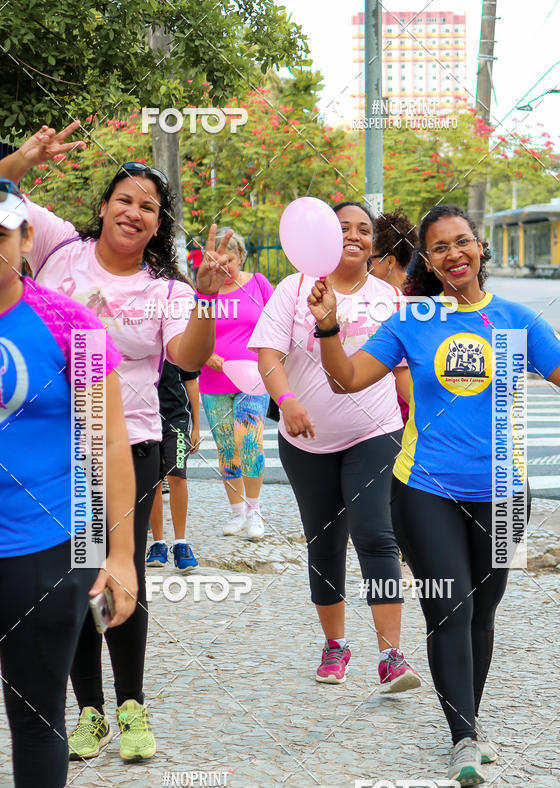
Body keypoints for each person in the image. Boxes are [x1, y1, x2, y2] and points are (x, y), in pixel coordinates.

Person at [309, 202, 560, 786]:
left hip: (505, 492)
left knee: (482, 614)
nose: (454, 254)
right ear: (431, 260)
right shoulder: (412, 320)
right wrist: (327, 327)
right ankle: (462, 736)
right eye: (440, 247)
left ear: (480, 247)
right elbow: (346, 379)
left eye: (462, 241)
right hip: (424, 489)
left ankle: (469, 719)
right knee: (450, 608)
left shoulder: (518, 320)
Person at [0, 121, 231, 763]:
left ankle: (131, 705)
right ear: (103, 207)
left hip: (130, 443)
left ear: (158, 227)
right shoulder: (56, 250)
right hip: (52, 445)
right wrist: (22, 158)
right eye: (125, 199)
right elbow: (2, 196)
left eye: (149, 208)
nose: (134, 213)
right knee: (72, 575)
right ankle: (91, 713)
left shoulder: (167, 291)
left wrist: (208, 302)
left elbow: (185, 360)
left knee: (118, 569)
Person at [0, 181, 137, 788]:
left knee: (35, 714)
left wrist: (116, 556)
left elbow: (107, 444)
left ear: (26, 242)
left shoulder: (70, 327)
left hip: (42, 550)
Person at [250, 201, 421, 692]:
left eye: (364, 230)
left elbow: (405, 372)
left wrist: (426, 422)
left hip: (376, 431)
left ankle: (391, 654)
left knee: (375, 533)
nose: (353, 236)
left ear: (375, 242)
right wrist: (287, 402)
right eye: (342, 227)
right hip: (306, 441)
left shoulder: (390, 297)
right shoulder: (294, 289)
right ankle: (335, 646)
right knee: (324, 541)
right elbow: (268, 356)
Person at [199, 228, 272, 540]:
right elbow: (189, 328)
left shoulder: (258, 284)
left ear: (241, 257)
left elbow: (277, 322)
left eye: (229, 260)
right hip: (213, 379)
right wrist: (206, 354)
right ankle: (236, 512)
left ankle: (255, 511)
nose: (223, 267)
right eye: (218, 261)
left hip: (253, 378)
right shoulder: (203, 291)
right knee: (227, 448)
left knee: (250, 442)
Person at [146, 360, 201, 571]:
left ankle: (181, 543)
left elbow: (191, 382)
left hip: (176, 419)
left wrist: (196, 427)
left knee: (177, 474)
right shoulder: (142, 339)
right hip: (145, 417)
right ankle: (158, 543)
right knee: (153, 479)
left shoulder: (178, 343)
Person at [370, 209, 416, 424]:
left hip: (408, 413)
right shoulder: (365, 295)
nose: (365, 266)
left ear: (389, 262)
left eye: (370, 260)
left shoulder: (417, 299)